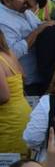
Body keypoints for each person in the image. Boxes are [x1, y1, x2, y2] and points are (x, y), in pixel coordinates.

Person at [0, 0, 55, 95]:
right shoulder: (3, 21)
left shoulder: (24, 10)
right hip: (26, 85)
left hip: (39, 77)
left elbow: (39, 26)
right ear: (7, 1)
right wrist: (37, 32)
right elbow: (12, 53)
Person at [0, 28, 31, 156]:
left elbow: (4, 96)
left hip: (8, 121)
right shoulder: (8, 54)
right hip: (23, 113)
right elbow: (23, 75)